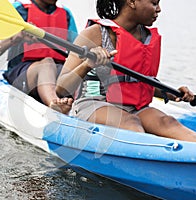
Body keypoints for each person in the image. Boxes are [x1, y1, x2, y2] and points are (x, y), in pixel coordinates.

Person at [55, 0, 196, 142]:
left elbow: (135, 83)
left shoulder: (146, 37)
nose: (158, 9)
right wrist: (87, 64)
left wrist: (169, 92)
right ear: (132, 2)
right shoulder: (95, 33)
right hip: (94, 104)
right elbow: (61, 89)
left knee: (168, 122)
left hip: (134, 107)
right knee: (131, 124)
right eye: (154, 3)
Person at [0, 0, 77, 114]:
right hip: (22, 71)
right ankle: (54, 103)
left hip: (57, 72)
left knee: (74, 71)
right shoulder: (18, 10)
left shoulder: (65, 14)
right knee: (47, 63)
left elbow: (77, 49)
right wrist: (16, 38)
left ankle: (80, 106)